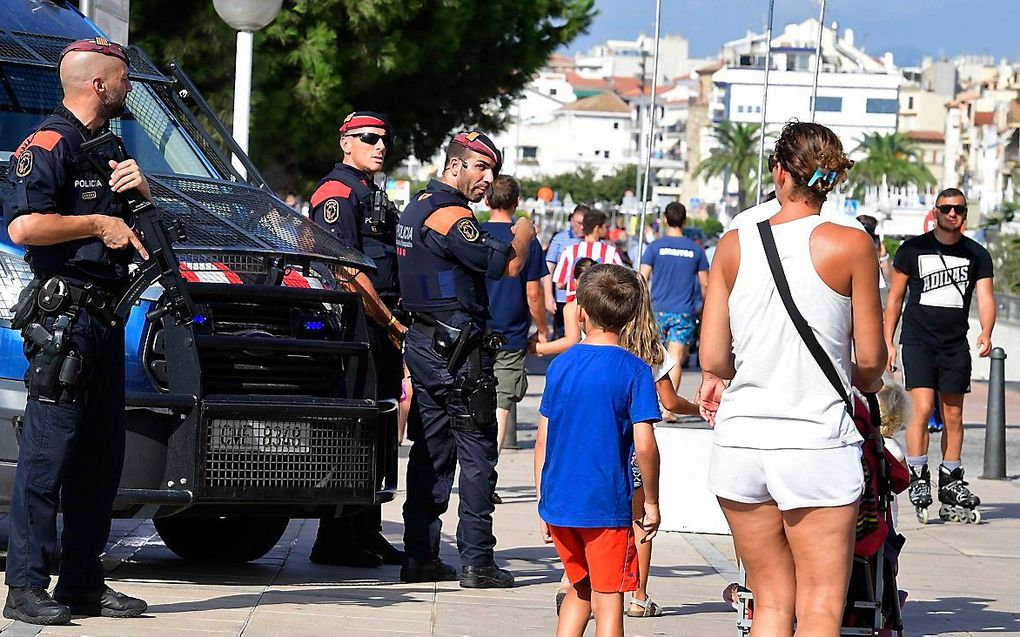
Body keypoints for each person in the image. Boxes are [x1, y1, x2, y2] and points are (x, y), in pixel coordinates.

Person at [699, 121, 886, 635]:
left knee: (771, 602)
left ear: (779, 173)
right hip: (815, 444)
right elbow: (871, 361)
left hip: (742, 443)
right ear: (830, 181)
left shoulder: (734, 245)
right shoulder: (852, 245)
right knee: (821, 607)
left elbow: (714, 355)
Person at [2, 37, 149, 625]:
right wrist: (96, 222)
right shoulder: (49, 143)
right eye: (122, 79)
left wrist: (141, 194)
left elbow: (139, 227)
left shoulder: (107, 146)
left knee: (100, 457)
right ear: (97, 84)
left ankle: (83, 580)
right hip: (64, 321)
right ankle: (27, 586)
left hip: (108, 316)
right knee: (48, 455)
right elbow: (23, 227)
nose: (128, 87)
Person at [396, 131, 536, 587]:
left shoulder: (415, 206)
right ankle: (478, 560)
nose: (488, 179)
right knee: (477, 452)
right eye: (481, 168)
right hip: (458, 353)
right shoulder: (452, 216)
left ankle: (419, 556)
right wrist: (524, 231)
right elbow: (506, 265)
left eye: (491, 171)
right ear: (456, 165)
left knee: (431, 451)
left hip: (423, 342)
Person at [534, 264, 661, 637]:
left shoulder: (559, 366)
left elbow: (543, 439)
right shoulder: (635, 371)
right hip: (605, 505)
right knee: (610, 603)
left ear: (581, 312)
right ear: (631, 316)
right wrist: (650, 501)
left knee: (580, 589)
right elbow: (645, 444)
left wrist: (543, 501)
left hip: (560, 502)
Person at [306, 110, 406, 568]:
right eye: (369, 138)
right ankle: (335, 535)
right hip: (357, 325)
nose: (380, 146)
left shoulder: (369, 190)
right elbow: (343, 269)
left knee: (381, 430)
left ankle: (367, 529)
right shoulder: (337, 192)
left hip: (379, 325)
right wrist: (387, 322)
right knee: (355, 431)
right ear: (345, 142)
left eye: (384, 139)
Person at [883, 188, 995, 523]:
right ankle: (918, 475)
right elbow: (895, 299)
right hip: (918, 341)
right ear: (936, 211)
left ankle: (950, 476)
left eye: (958, 209)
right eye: (946, 208)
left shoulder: (977, 254)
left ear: (965, 214)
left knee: (953, 415)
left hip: (954, 344)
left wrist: (986, 332)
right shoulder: (912, 249)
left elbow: (986, 297)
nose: (952, 214)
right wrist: (889, 342)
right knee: (921, 409)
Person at [618, 278, 700, 618]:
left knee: (600, 520)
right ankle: (638, 595)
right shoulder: (652, 350)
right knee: (642, 522)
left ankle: (584, 587)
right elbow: (670, 402)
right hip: (636, 446)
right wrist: (697, 408)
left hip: (603, 444)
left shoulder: (600, 342)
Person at [481, 176, 546, 500]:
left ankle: (474, 471)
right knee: (501, 405)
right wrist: (544, 330)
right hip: (510, 334)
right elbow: (534, 293)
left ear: (487, 199)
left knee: (473, 401)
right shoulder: (526, 240)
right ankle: (486, 476)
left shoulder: (474, 234)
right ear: (516, 202)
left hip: (476, 331)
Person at [639, 202, 709, 392]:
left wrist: (642, 306)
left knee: (653, 356)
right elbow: (705, 282)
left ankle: (651, 401)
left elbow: (642, 277)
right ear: (684, 220)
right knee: (675, 357)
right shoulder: (695, 250)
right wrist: (704, 306)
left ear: (666, 220)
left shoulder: (655, 247)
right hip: (684, 311)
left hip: (657, 310)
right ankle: (669, 407)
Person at [553, 209, 623, 302]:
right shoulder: (610, 252)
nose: (607, 230)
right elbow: (621, 280)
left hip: (574, 306)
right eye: (605, 227)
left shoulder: (569, 251)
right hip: (600, 306)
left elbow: (560, 283)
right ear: (597, 228)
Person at [533, 258, 594, 358]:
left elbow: (571, 341)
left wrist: (539, 348)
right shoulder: (608, 302)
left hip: (585, 359)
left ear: (575, 282)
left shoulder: (573, 307)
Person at [545, 206, 586, 339]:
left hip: (585, 300)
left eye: (584, 224)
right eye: (578, 223)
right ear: (572, 221)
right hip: (563, 298)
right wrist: (548, 296)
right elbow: (549, 267)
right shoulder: (560, 239)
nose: (581, 227)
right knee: (563, 335)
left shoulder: (593, 242)